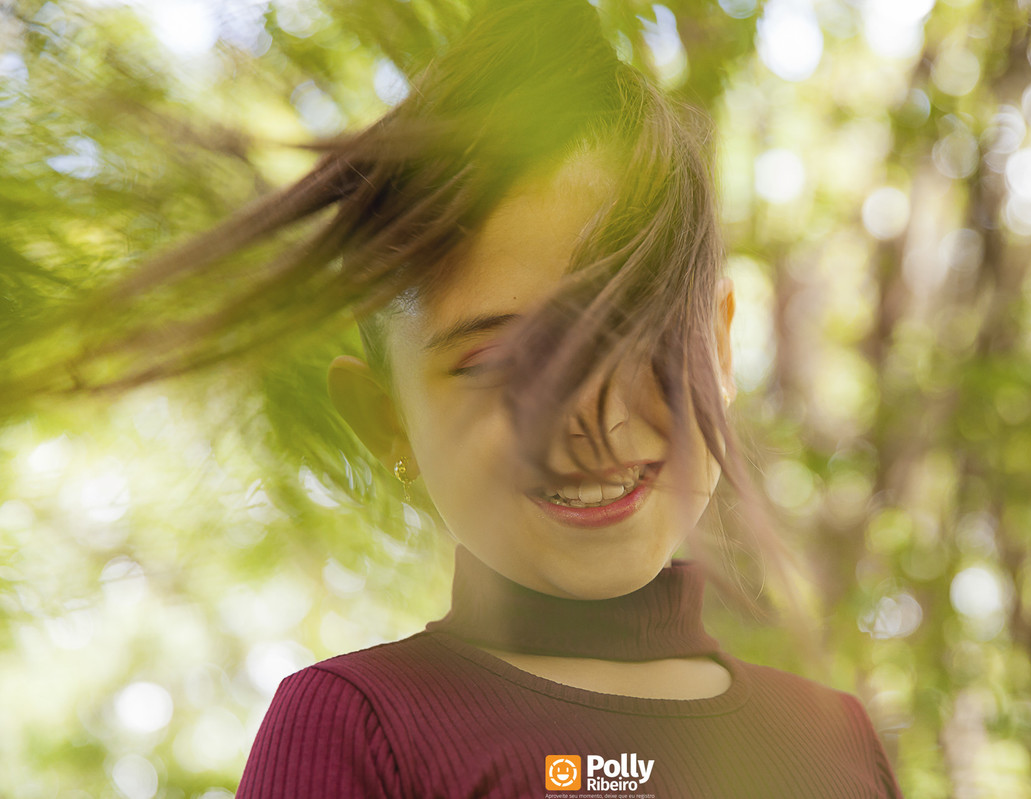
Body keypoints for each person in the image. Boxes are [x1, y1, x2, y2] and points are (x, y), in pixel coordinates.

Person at [28, 0, 902, 795]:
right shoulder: (360, 726)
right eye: (501, 361)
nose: (593, 418)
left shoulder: (835, 739)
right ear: (386, 418)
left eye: (641, 333)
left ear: (719, 345)